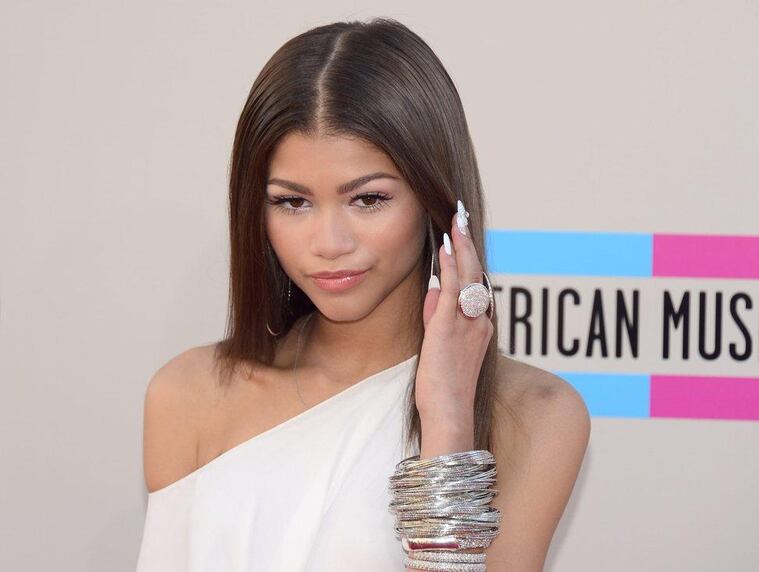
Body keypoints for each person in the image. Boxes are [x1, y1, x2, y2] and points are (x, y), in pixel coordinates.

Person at [135, 17, 590, 572]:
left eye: (368, 199)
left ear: (435, 197)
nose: (328, 244)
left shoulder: (532, 416)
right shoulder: (187, 395)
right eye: (292, 202)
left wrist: (446, 423)